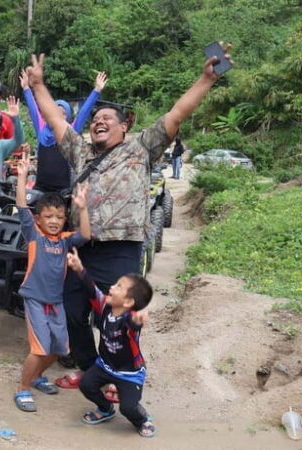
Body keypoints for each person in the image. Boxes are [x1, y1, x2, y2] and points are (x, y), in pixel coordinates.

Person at [23, 45, 234, 389]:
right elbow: (55, 119)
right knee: (73, 312)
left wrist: (206, 79)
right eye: (95, 119)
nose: (99, 122)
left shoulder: (142, 147)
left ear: (125, 127)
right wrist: (38, 86)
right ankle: (92, 370)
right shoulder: (79, 151)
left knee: (117, 318)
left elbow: (177, 113)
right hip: (83, 247)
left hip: (122, 249)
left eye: (108, 119)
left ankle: (117, 372)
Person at [12, 149, 90, 413]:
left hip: (56, 302)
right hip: (35, 298)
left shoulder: (66, 239)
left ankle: (35, 377)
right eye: (48, 217)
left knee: (58, 348)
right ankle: (23, 388)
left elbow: (86, 236)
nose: (54, 221)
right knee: (39, 348)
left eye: (59, 217)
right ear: (38, 219)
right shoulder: (34, 235)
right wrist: (22, 177)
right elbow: (22, 206)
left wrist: (83, 207)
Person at [66, 248, 155, 437]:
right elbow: (92, 289)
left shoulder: (129, 321)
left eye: (118, 287)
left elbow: (133, 325)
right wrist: (79, 268)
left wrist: (138, 320)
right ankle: (105, 408)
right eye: (115, 284)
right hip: (105, 366)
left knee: (128, 408)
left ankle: (142, 419)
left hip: (129, 374)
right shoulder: (105, 306)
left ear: (129, 302)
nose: (112, 287)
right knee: (86, 385)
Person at [20, 70, 108, 193]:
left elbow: (84, 112)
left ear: (67, 118)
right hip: (40, 187)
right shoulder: (41, 129)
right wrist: (26, 88)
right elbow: (33, 109)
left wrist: (97, 90)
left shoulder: (70, 131)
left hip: (62, 188)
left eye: (63, 113)